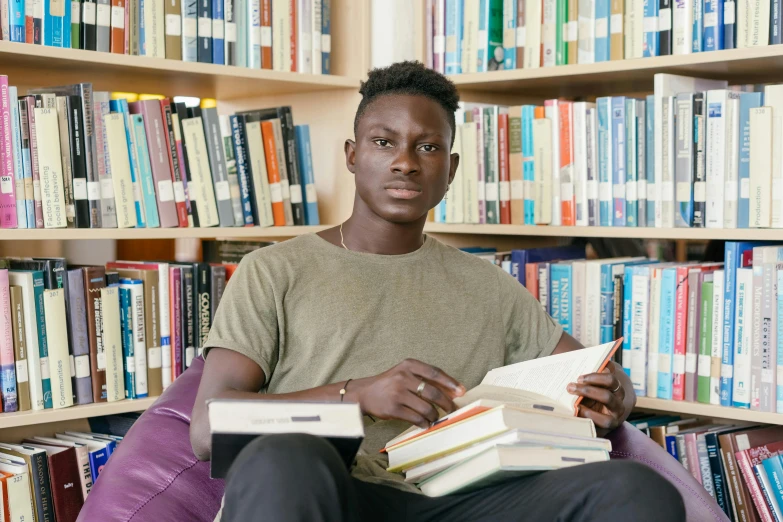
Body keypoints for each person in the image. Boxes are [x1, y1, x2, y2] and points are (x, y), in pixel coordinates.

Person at [190, 61, 686, 522]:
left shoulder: (486, 283)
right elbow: (207, 428)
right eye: (384, 143)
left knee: (636, 488)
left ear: (448, 170)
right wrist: (356, 394)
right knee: (283, 455)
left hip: (458, 500)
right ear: (352, 155)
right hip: (334, 496)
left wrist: (615, 394)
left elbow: (586, 372)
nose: (405, 163)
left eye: (426, 147)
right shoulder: (273, 270)